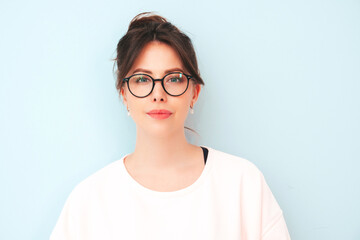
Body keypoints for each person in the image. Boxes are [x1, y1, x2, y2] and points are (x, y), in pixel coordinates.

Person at [50, 12, 291, 240]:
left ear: (194, 92)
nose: (158, 94)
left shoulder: (243, 184)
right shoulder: (88, 201)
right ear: (124, 94)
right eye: (142, 79)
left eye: (174, 78)